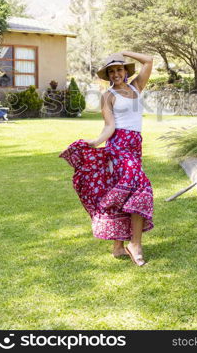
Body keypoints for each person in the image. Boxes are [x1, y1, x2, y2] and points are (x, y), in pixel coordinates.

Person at [61, 51, 154, 267]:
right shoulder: (108, 96)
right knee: (141, 186)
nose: (116, 74)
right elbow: (110, 125)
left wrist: (123, 54)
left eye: (119, 69)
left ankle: (118, 247)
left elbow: (148, 60)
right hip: (118, 146)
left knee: (124, 191)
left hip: (134, 145)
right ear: (108, 75)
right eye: (111, 71)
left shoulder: (136, 87)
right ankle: (135, 245)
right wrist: (95, 142)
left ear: (125, 71)